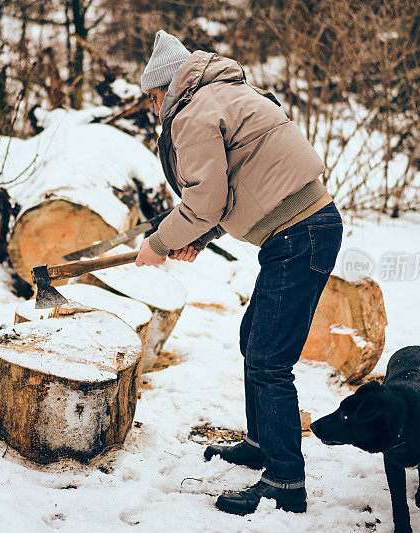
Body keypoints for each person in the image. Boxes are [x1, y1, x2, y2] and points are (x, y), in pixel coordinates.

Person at [134, 30, 344, 516]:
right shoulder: (221, 93)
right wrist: (198, 237)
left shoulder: (192, 114)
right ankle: (262, 442)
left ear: (166, 88)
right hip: (301, 228)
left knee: (270, 358)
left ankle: (286, 481)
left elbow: (204, 199)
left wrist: (160, 243)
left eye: (152, 97)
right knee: (256, 339)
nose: (153, 107)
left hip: (298, 234)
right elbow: (232, 187)